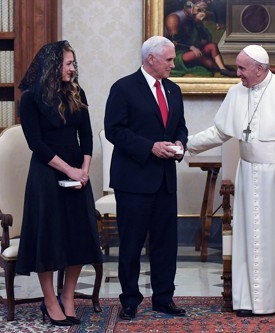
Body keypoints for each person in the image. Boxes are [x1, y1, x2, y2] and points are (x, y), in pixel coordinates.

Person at [187, 45, 275, 316]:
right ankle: (253, 300)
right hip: (249, 174)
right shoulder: (236, 93)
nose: (237, 73)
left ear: (260, 69)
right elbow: (220, 132)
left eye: (241, 68)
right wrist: (186, 145)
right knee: (253, 239)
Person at [16, 40, 103, 326]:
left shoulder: (77, 93)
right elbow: (36, 144)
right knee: (49, 237)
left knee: (78, 235)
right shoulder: (30, 98)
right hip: (47, 175)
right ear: (53, 65)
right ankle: (49, 301)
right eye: (68, 63)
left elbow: (87, 137)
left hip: (78, 174)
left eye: (73, 63)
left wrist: (84, 171)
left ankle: (67, 297)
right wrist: (69, 170)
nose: (73, 68)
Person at [104, 36, 188, 321]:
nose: (173, 65)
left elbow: (181, 128)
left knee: (166, 243)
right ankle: (129, 301)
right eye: (168, 60)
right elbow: (114, 130)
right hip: (134, 181)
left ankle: (163, 298)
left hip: (165, 180)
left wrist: (180, 143)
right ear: (150, 59)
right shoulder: (124, 88)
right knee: (131, 243)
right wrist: (149, 147)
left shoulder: (174, 90)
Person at [165, 1, 236, 77]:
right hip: (178, 53)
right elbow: (175, 41)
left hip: (193, 49)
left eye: (204, 10)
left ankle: (223, 69)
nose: (203, 13)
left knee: (212, 46)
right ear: (193, 9)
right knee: (198, 54)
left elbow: (205, 40)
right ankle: (218, 69)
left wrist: (198, 24)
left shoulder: (197, 22)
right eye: (200, 10)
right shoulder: (179, 20)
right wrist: (191, 47)